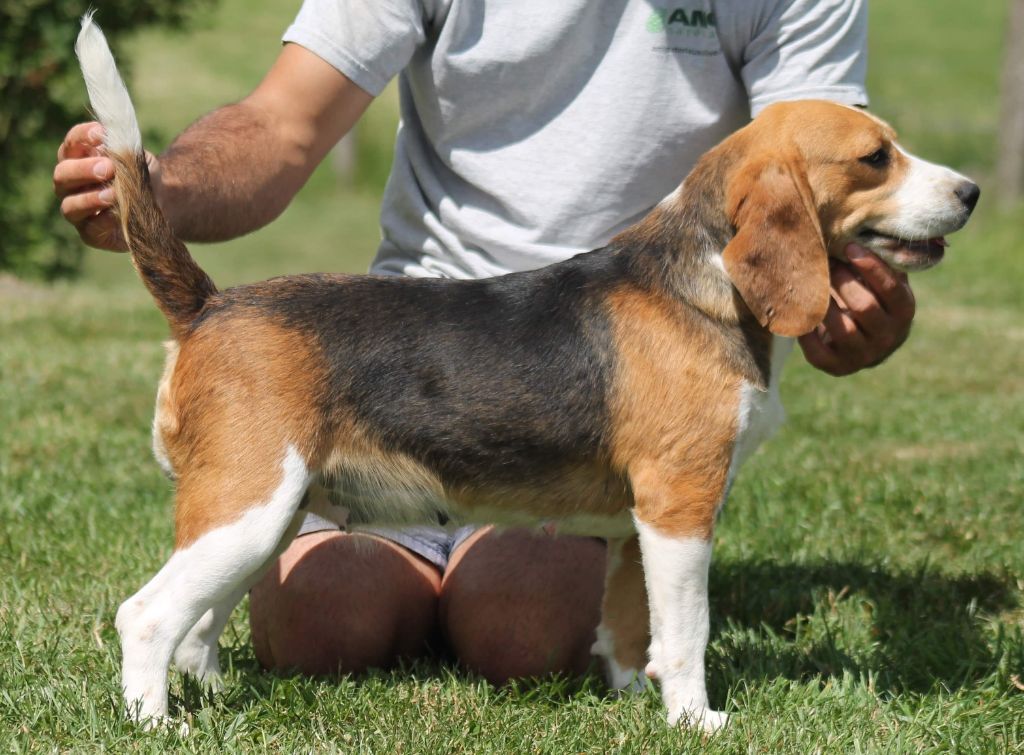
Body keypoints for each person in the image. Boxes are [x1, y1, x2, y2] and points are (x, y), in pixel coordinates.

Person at [54, 0, 917, 684]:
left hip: (608, 365)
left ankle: (489, 589)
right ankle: (180, 639)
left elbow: (822, 166)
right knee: (328, 627)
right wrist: (155, 193)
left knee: (523, 632)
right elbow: (282, 126)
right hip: (400, 354)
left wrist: (854, 308)